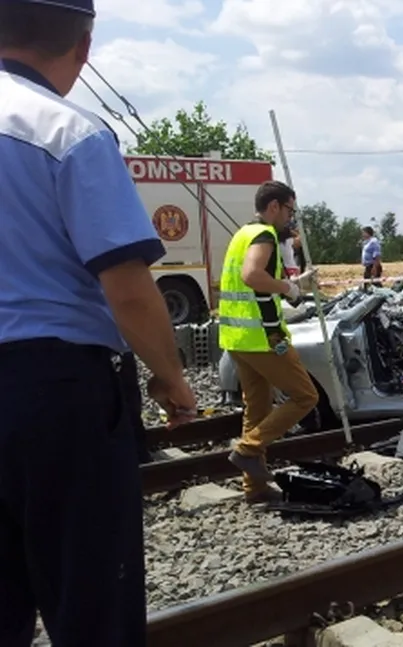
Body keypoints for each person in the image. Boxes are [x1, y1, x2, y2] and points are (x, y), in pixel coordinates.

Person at [0, 1, 199, 646]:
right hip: (54, 392)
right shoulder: (67, 132)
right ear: (84, 47)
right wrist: (170, 378)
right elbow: (128, 288)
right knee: (91, 602)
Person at [218, 180, 320, 503]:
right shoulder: (264, 235)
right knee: (305, 396)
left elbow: (254, 283)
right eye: (289, 210)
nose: (291, 217)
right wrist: (289, 290)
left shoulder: (242, 234)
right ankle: (248, 449)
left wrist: (294, 283)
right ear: (274, 207)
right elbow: (252, 276)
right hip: (265, 335)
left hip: (237, 337)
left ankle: (255, 488)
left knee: (257, 407)